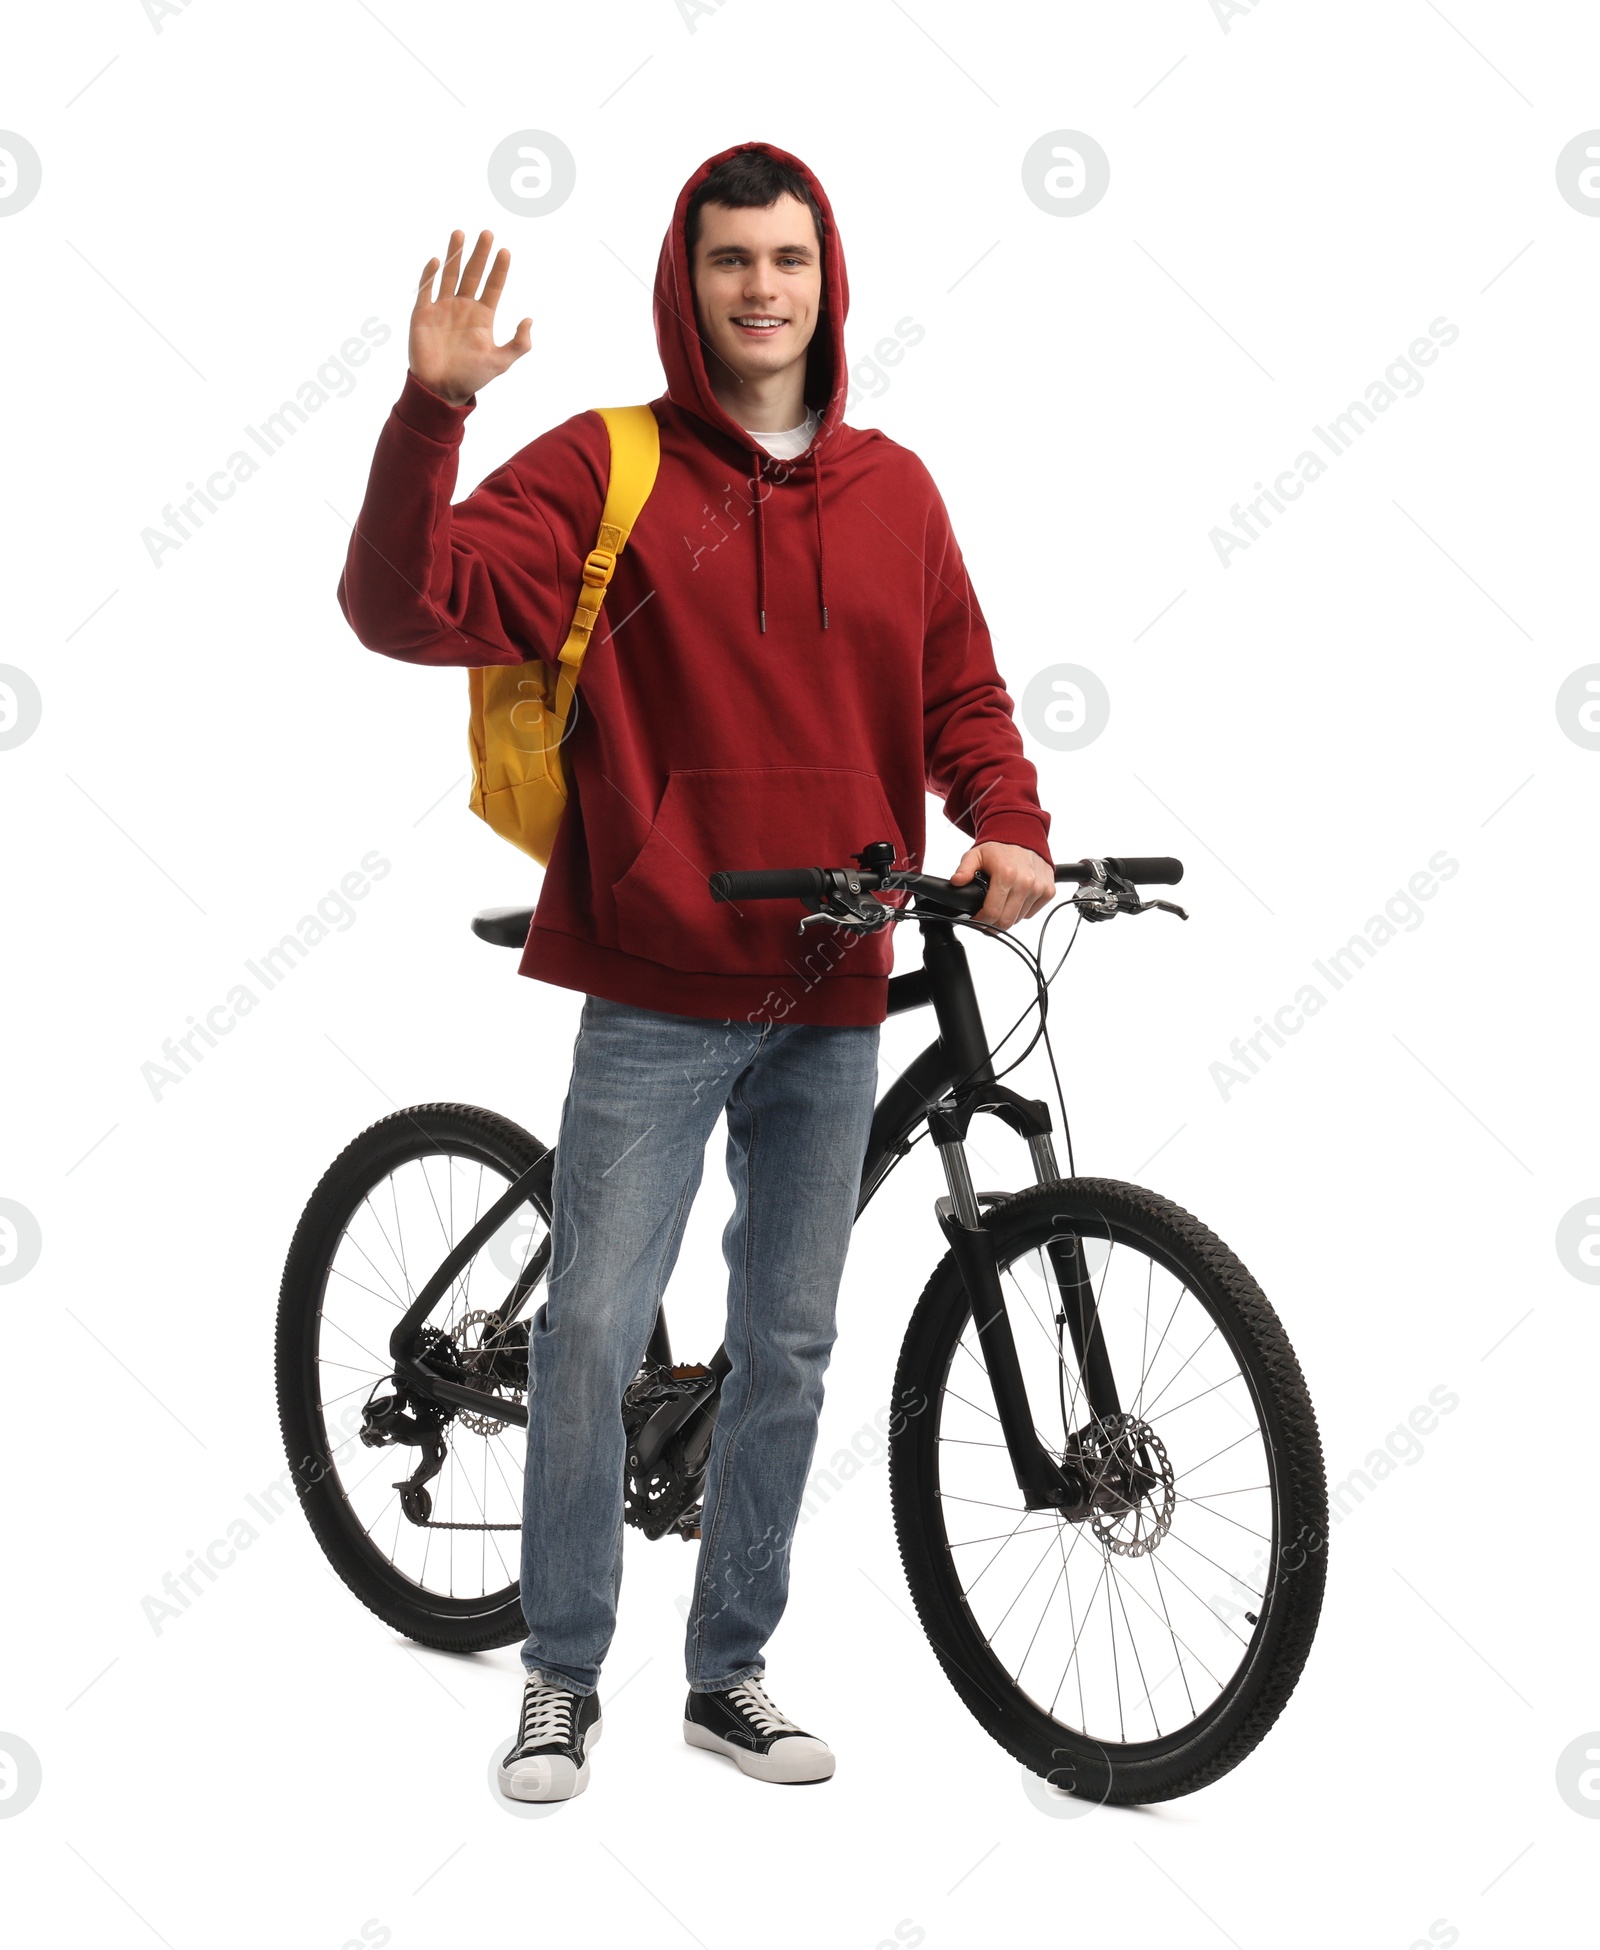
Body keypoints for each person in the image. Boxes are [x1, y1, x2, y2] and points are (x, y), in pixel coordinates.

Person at [337, 140, 1056, 1801]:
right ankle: (562, 1675)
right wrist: (429, 412)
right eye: (732, 260)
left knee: (788, 1341)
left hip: (833, 979)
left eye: (789, 260)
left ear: (829, 279)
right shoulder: (609, 466)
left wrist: (1008, 821)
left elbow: (964, 694)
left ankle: (728, 1671)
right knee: (590, 1325)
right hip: (658, 971)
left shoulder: (897, 493)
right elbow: (401, 604)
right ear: (690, 277)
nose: (762, 289)